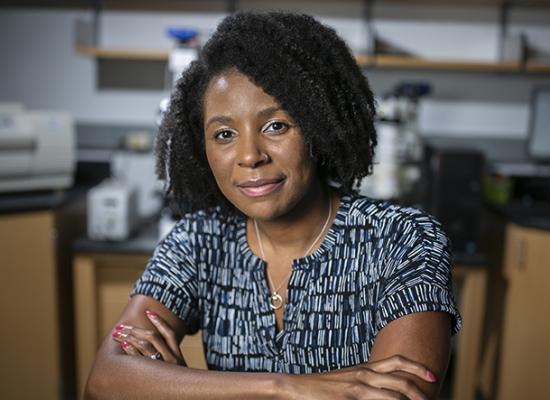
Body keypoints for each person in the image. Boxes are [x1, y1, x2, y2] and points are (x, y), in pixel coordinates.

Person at [85, 11, 461, 400]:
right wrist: (286, 387)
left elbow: (400, 396)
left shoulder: (403, 239)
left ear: (318, 126)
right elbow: (105, 382)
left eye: (276, 126)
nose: (249, 156)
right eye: (225, 134)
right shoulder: (198, 241)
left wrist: (182, 388)